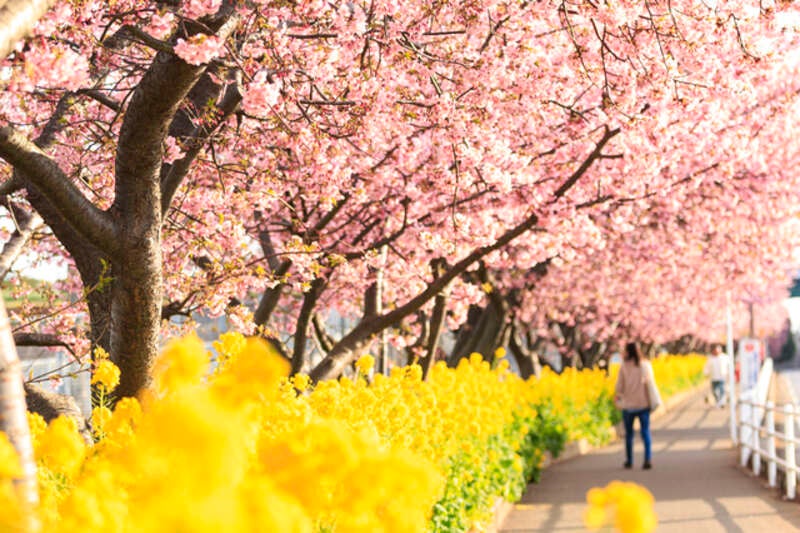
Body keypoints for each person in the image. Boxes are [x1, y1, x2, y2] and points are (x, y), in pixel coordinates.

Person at [614, 342, 659, 470]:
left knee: (629, 435)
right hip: (643, 404)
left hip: (628, 406)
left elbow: (619, 387)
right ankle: (647, 459)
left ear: (627, 352)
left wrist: (619, 396)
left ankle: (629, 460)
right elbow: (650, 384)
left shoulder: (624, 367)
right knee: (645, 432)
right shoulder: (645, 365)